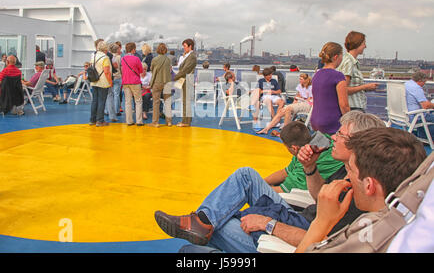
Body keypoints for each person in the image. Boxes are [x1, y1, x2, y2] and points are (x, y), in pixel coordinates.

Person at [154, 112, 382, 253]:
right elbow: (318, 199)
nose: (333, 137)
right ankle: (202, 221)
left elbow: (321, 240)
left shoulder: (359, 194)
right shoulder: (348, 170)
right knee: (245, 176)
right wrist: (310, 168)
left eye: (340, 135)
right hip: (299, 218)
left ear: (356, 144)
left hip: (290, 236)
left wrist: (267, 223)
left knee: (200, 239)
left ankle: (204, 224)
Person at [295, 127, 427, 253]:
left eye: (350, 170)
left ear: (369, 185)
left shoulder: (367, 238)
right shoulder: (410, 230)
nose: (347, 176)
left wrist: (321, 222)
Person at [310, 42, 349, 135]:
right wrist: (350, 122)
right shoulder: (338, 76)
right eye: (341, 56)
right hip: (331, 122)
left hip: (315, 121)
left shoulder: (317, 75)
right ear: (336, 57)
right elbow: (344, 105)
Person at [337, 31, 378, 112]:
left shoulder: (348, 60)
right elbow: (343, 90)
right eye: (363, 43)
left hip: (355, 107)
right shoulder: (349, 62)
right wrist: (365, 87)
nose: (365, 46)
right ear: (357, 44)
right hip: (353, 108)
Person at [174, 39, 197, 127]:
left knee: (186, 101)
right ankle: (185, 120)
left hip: (187, 79)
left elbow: (185, 70)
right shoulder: (186, 56)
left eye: (185, 46)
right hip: (183, 79)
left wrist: (174, 77)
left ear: (190, 46)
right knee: (184, 100)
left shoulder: (192, 57)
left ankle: (186, 121)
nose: (184, 48)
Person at [89, 41, 113, 127]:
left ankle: (92, 120)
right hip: (103, 82)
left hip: (94, 80)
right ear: (105, 48)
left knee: (94, 101)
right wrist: (110, 82)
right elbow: (106, 72)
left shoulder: (93, 55)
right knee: (101, 101)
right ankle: (100, 121)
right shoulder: (105, 58)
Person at [405, 71, 434, 139]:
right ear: (420, 81)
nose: (424, 84)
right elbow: (425, 106)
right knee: (427, 116)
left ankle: (424, 137)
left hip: (405, 115)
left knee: (424, 114)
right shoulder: (416, 88)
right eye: (424, 82)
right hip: (414, 117)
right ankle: (430, 138)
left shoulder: (406, 84)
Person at [149, 43, 173, 127]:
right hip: (167, 82)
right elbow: (170, 70)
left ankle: (155, 122)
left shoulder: (155, 59)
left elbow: (152, 69)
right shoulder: (168, 59)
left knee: (156, 102)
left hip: (157, 82)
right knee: (167, 102)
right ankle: (169, 121)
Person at [122, 42, 144, 127]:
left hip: (125, 82)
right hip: (135, 82)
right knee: (138, 101)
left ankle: (129, 121)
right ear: (133, 49)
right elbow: (141, 70)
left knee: (128, 102)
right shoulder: (136, 59)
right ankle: (139, 121)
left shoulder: (123, 59)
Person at [104, 43, 121, 122]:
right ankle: (116, 111)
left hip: (110, 77)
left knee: (109, 95)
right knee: (116, 94)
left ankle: (107, 110)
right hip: (117, 76)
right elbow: (118, 66)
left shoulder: (108, 56)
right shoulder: (118, 57)